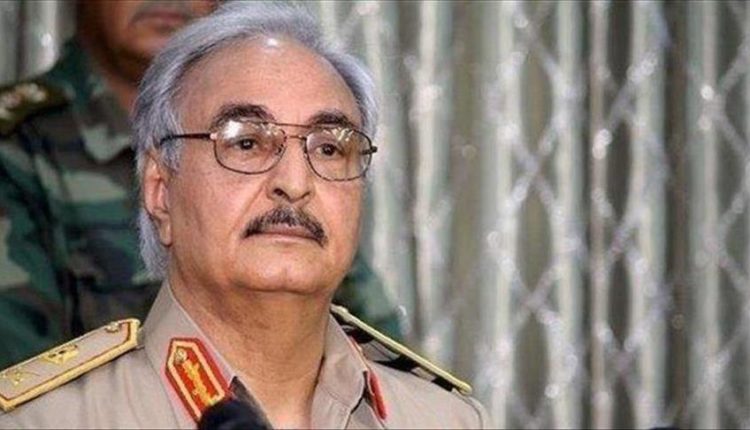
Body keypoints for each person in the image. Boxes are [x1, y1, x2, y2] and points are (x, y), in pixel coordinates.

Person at [0, 2, 489, 428]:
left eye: (328, 148)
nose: (295, 182)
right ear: (160, 193)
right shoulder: (45, 421)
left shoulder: (448, 420)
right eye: (247, 143)